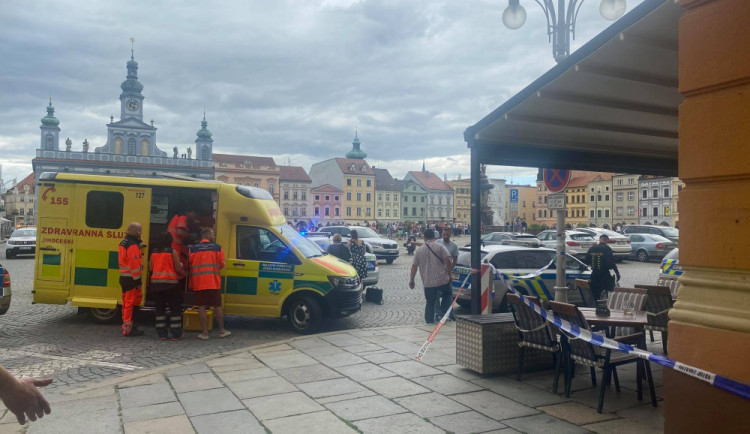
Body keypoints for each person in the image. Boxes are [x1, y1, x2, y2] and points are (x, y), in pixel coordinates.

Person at [189, 228, 230, 339]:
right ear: (207, 235)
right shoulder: (217, 248)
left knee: (201, 306)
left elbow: (190, 264)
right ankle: (221, 331)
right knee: (217, 306)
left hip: (199, 283)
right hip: (213, 282)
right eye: (212, 234)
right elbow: (222, 264)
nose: (213, 235)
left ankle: (205, 333)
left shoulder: (193, 249)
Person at [409, 229, 454, 324]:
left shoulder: (419, 250)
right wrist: (449, 274)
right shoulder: (440, 246)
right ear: (434, 237)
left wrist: (412, 280)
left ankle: (429, 322)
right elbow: (448, 260)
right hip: (442, 279)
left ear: (424, 237)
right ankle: (442, 312)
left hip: (428, 281)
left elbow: (414, 266)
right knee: (448, 294)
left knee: (430, 302)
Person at [150, 232, 185, 341]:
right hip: (171, 285)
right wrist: (182, 267)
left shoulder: (154, 252)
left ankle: (162, 334)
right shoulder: (171, 251)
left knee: (160, 309)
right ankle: (175, 334)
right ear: (170, 241)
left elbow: (151, 268)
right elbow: (178, 268)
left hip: (156, 285)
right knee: (174, 309)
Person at [119, 222, 144, 337]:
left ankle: (126, 326)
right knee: (131, 303)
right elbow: (134, 264)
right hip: (131, 279)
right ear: (137, 232)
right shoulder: (132, 245)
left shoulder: (123, 243)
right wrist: (137, 280)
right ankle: (129, 329)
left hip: (124, 277)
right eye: (140, 231)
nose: (141, 233)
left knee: (126, 303)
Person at [585, 234, 621, 300]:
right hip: (604, 275)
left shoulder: (592, 248)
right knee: (609, 292)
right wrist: (617, 273)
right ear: (607, 240)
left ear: (599, 239)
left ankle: (596, 306)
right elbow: (611, 263)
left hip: (594, 275)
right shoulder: (607, 249)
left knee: (595, 294)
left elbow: (586, 260)